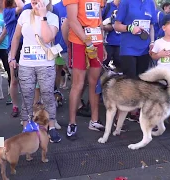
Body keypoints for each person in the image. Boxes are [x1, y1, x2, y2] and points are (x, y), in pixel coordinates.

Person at [9, 0, 61, 143]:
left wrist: (43, 16)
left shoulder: (52, 17)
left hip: (46, 64)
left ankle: (51, 126)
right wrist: (12, 57)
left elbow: (48, 38)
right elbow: (16, 37)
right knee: (26, 96)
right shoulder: (25, 14)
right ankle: (26, 126)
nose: (34, 2)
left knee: (48, 95)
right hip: (26, 63)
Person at [63, 0, 107, 139]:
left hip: (97, 40)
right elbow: (72, 20)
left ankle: (94, 120)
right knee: (78, 84)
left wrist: (102, 44)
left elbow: (98, 20)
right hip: (79, 41)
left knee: (94, 82)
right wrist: (87, 41)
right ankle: (72, 123)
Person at [3, 0, 32, 117]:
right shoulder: (8, 12)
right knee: (14, 80)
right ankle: (15, 106)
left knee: (30, 81)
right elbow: (20, 6)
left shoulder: (27, 9)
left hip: (27, 47)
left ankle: (31, 107)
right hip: (14, 48)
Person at [102, 0, 121, 69]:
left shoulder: (127, 7)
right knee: (103, 67)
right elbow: (98, 22)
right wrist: (105, 27)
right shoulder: (107, 6)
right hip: (107, 43)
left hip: (121, 44)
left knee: (120, 69)